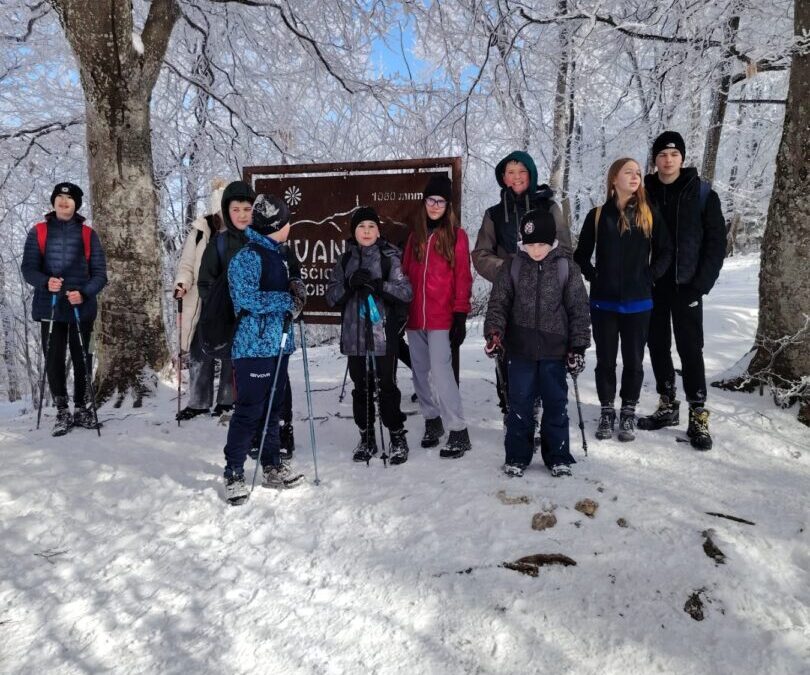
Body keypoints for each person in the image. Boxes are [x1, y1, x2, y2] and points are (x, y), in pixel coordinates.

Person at [484, 209, 590, 477]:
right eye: (530, 244)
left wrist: (578, 347)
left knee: (556, 403)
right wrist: (494, 332)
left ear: (552, 241)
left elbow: (578, 308)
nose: (536, 250)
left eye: (541, 244)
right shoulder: (513, 266)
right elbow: (499, 303)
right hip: (520, 350)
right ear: (523, 242)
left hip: (555, 351)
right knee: (519, 403)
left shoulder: (566, 267)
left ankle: (558, 455)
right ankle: (518, 456)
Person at [638, 132, 726, 450]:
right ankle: (667, 405)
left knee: (691, 350)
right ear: (655, 159)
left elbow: (716, 243)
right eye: (662, 154)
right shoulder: (643, 193)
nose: (668, 159)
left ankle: (698, 415)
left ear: (682, 159)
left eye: (674, 154)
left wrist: (701, 284)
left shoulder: (702, 194)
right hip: (652, 286)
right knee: (657, 346)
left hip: (687, 286)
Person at [574, 158, 672, 441]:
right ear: (613, 178)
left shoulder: (648, 213)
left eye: (639, 173)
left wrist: (650, 277)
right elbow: (581, 254)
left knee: (634, 362)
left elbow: (666, 251)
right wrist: (594, 276)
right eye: (629, 172)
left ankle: (628, 412)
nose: (636, 176)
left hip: (639, 303)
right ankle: (607, 412)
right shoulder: (596, 215)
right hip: (603, 304)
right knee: (605, 361)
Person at [472, 151, 573, 422]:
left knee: (543, 351)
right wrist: (509, 271)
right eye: (510, 172)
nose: (516, 177)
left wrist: (540, 270)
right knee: (508, 352)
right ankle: (512, 410)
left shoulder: (549, 208)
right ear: (503, 178)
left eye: (522, 171)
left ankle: (539, 409)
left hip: (546, 296)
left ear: (531, 174)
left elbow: (563, 248)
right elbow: (481, 254)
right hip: (509, 297)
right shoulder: (493, 214)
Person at [221, 193, 306, 505]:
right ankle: (233, 471)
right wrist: (286, 300)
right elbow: (246, 298)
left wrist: (296, 288)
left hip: (278, 343)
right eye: (286, 221)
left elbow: (288, 290)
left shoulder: (280, 254)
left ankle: (271, 463)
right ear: (277, 225)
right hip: (253, 345)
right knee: (249, 410)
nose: (290, 225)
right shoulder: (247, 257)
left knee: (273, 406)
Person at [325, 207, 413, 464]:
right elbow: (331, 296)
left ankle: (397, 435)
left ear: (378, 230)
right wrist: (349, 284)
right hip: (354, 338)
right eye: (361, 227)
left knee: (387, 387)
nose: (366, 231)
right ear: (354, 231)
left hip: (382, 336)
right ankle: (366, 436)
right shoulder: (344, 261)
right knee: (360, 389)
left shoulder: (389, 258)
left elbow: (406, 292)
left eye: (371, 227)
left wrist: (379, 286)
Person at [21, 182, 107, 436]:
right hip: (51, 307)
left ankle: (82, 407)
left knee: (84, 356)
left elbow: (100, 274)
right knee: (54, 358)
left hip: (83, 309)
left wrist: (84, 293)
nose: (64, 202)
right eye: (59, 197)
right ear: (54, 201)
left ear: (76, 204)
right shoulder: (38, 231)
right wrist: (45, 282)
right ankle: (62, 409)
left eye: (69, 199)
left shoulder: (88, 234)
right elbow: (28, 269)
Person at [402, 173, 473, 458]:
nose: (434, 205)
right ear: (424, 202)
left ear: (448, 205)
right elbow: (405, 273)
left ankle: (458, 430)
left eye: (440, 201)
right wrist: (400, 309)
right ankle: (432, 420)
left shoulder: (457, 236)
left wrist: (460, 314)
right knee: (419, 371)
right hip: (415, 318)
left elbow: (463, 277)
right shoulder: (415, 236)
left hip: (441, 317)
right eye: (430, 200)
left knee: (442, 372)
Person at [173, 180, 234, 420]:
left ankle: (227, 400)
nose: (224, 217)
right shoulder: (200, 232)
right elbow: (187, 264)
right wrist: (181, 282)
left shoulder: (240, 233)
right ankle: (198, 402)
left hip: (229, 300)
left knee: (231, 350)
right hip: (203, 299)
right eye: (220, 211)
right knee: (199, 350)